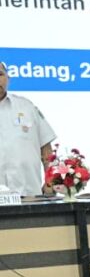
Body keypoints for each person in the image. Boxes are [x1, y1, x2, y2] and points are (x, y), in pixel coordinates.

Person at [0, 61, 56, 197]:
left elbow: (46, 147)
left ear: (8, 78)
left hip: (30, 194)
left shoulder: (27, 107)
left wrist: (50, 182)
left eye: (0, 74)